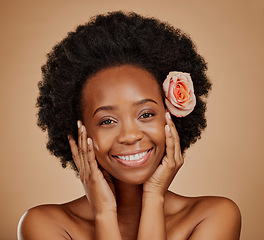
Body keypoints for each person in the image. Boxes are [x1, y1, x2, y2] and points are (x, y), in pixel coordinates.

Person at [17, 11, 241, 240]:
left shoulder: (213, 216)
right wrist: (104, 214)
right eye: (107, 121)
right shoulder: (45, 225)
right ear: (79, 131)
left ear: (171, 117)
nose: (130, 135)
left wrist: (154, 197)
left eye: (146, 114)